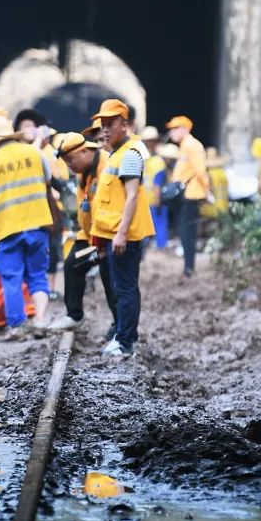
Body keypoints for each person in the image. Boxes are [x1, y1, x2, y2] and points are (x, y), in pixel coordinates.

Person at [0, 115, 60, 341]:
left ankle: (17, 326)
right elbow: (48, 186)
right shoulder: (35, 154)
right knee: (38, 276)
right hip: (38, 225)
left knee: (12, 279)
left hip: (7, 229)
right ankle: (40, 320)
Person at [89, 100, 155, 357]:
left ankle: (125, 342)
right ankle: (124, 335)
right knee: (121, 287)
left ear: (124, 124)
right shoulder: (116, 154)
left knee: (125, 288)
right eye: (102, 125)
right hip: (112, 232)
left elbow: (132, 197)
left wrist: (122, 234)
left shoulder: (129, 154)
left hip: (122, 234)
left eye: (111, 124)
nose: (105, 130)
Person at [48, 133, 115, 335]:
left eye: (70, 160)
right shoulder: (82, 173)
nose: (69, 165)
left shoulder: (107, 166)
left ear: (85, 151)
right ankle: (74, 315)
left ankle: (120, 326)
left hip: (108, 234)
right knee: (72, 264)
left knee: (110, 278)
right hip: (89, 234)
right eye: (65, 161)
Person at [14, 108, 67, 298]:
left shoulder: (46, 155)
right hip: (18, 215)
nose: (30, 130)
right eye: (26, 126)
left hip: (43, 214)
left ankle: (39, 295)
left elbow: (55, 181)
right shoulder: (16, 153)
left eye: (33, 127)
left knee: (45, 257)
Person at [165, 115, 209, 278]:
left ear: (185, 129)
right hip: (186, 195)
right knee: (184, 231)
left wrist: (206, 190)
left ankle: (189, 268)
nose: (171, 132)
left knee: (188, 232)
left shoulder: (192, 146)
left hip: (192, 194)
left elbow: (200, 170)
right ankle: (187, 268)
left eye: (175, 129)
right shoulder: (185, 146)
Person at [141, 126, 170, 249]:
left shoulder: (154, 161)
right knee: (157, 224)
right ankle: (158, 246)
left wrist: (157, 198)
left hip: (152, 199)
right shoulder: (152, 160)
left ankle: (159, 247)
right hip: (148, 200)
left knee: (157, 224)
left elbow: (158, 182)